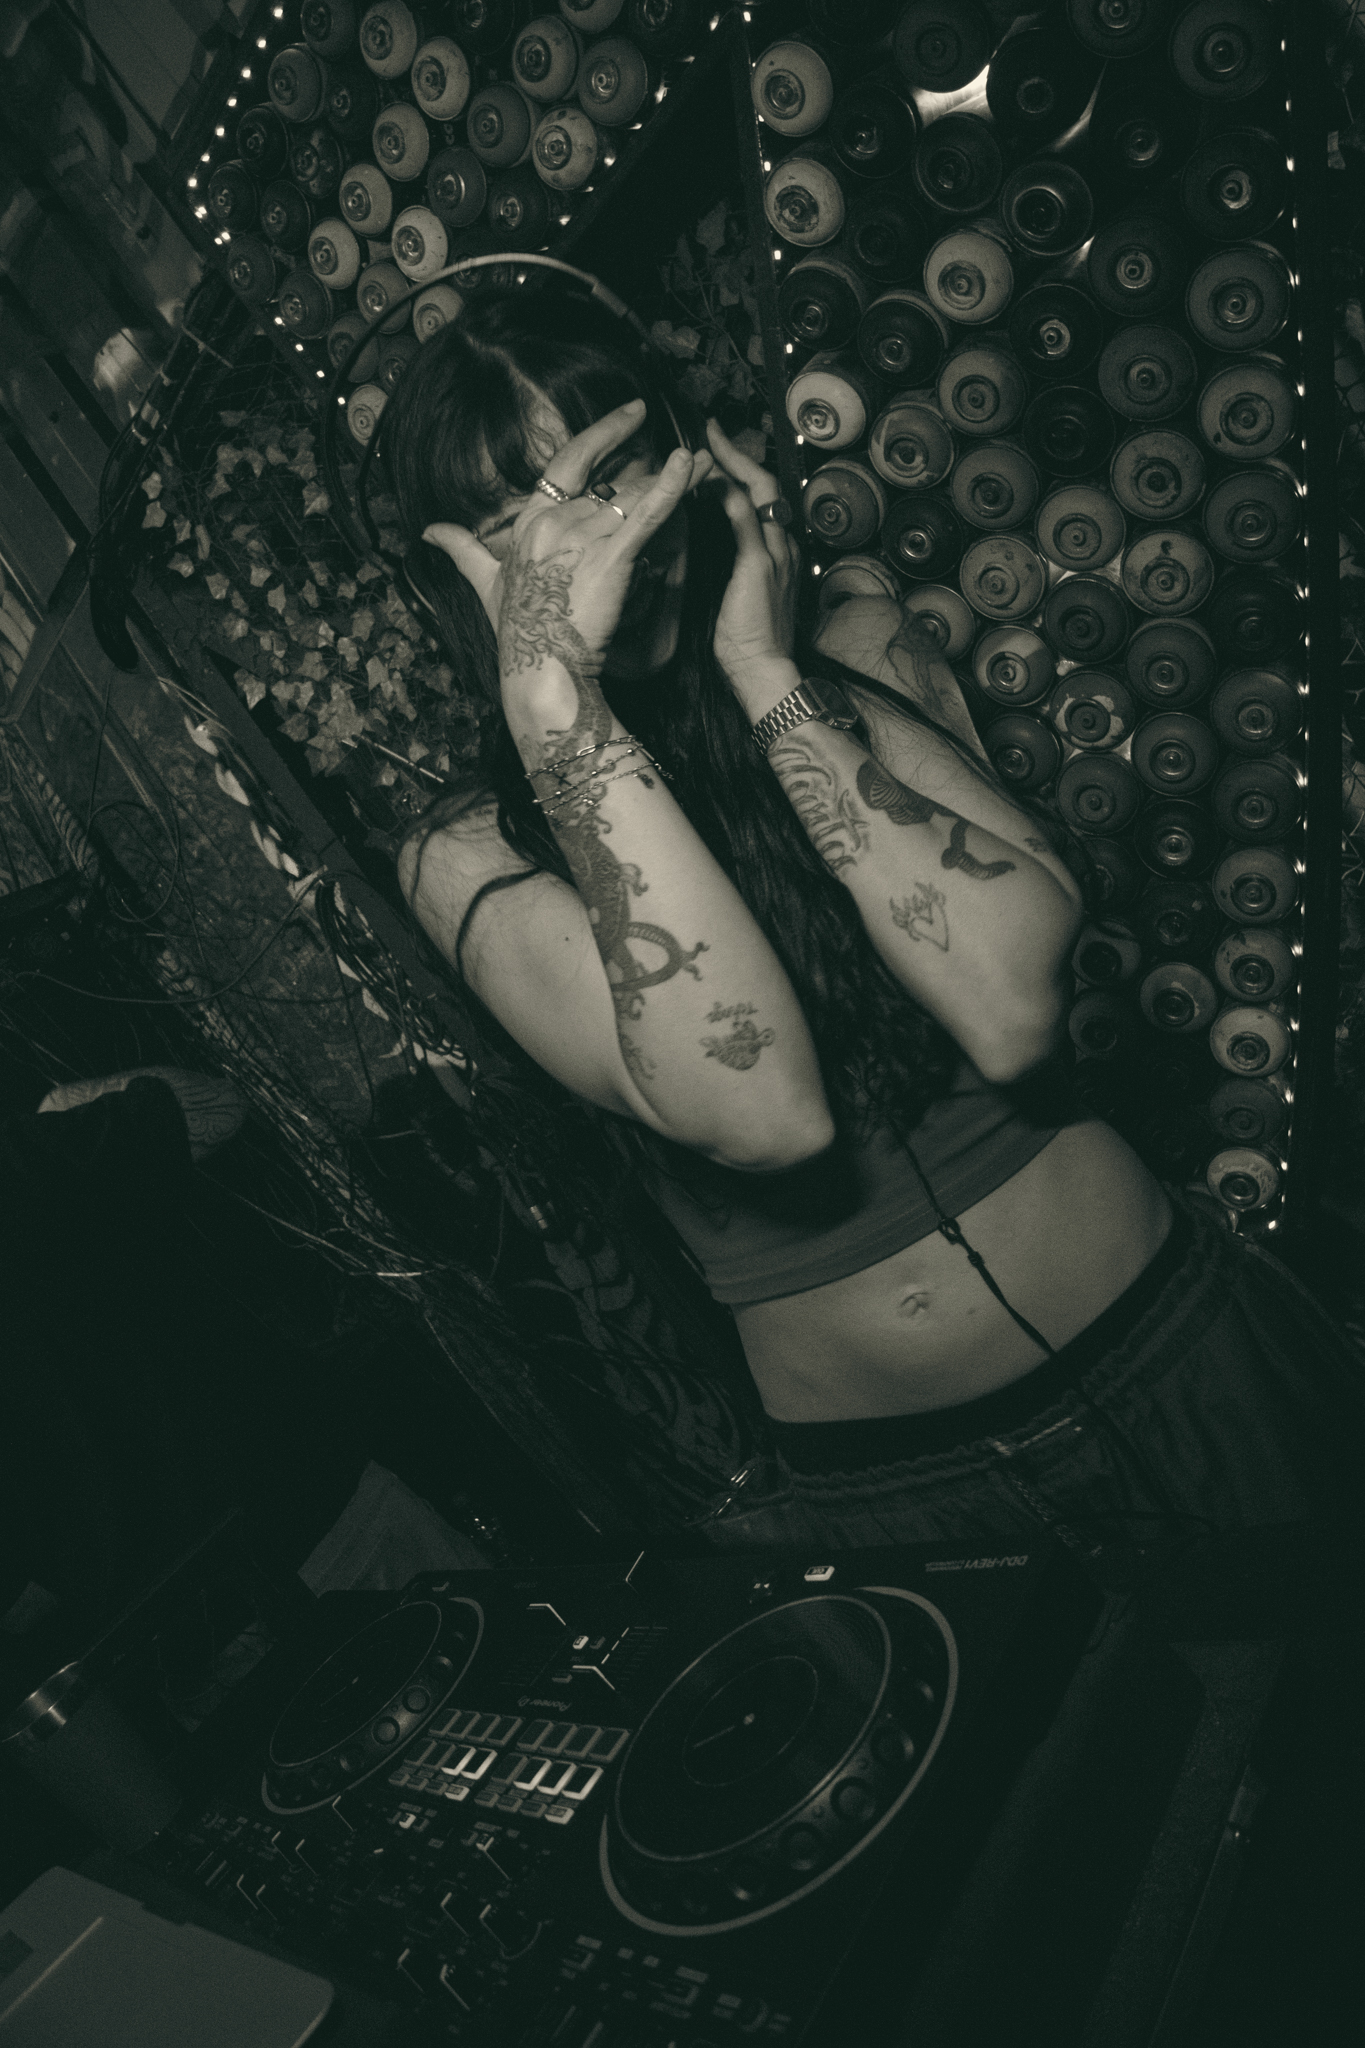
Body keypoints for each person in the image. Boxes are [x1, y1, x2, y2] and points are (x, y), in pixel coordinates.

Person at [387, 287, 1365, 1591]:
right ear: (465, 576)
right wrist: (556, 708)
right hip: (905, 1497)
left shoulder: (843, 660)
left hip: (1175, 1347)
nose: (613, 542)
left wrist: (763, 672)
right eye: (541, 522)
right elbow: (764, 1113)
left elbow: (1012, 1007)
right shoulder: (467, 854)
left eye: (622, 481)